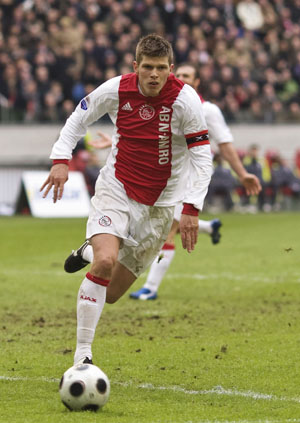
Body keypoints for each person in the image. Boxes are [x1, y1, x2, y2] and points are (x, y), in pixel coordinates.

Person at [40, 35, 213, 365]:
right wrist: (61, 158)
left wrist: (191, 208)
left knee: (114, 292)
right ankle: (82, 358)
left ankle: (86, 250)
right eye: (147, 67)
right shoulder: (116, 89)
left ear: (170, 69)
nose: (153, 75)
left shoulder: (186, 100)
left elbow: (202, 158)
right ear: (136, 67)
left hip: (161, 207)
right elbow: (79, 117)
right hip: (117, 189)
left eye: (161, 68)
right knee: (105, 264)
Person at [64, 63, 262, 301]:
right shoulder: (162, 102)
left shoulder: (207, 110)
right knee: (159, 235)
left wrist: (241, 174)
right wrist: (114, 142)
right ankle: (137, 276)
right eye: (178, 75)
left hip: (187, 184)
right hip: (159, 183)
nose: (181, 79)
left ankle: (144, 281)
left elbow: (225, 145)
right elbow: (147, 138)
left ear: (198, 82)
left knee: (167, 232)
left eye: (187, 76)